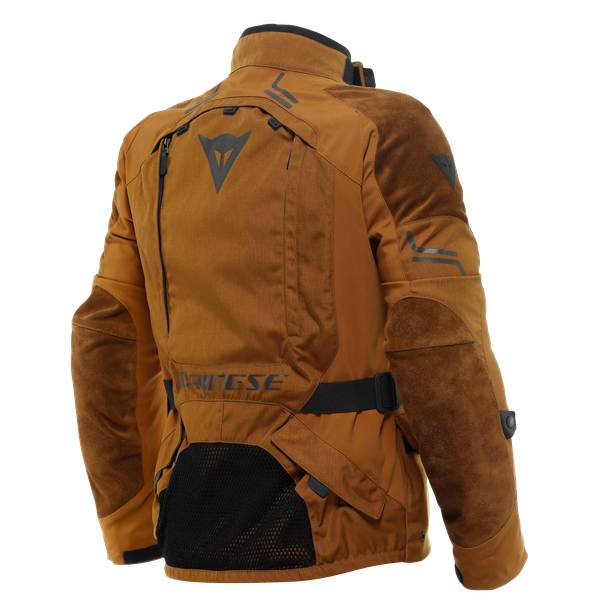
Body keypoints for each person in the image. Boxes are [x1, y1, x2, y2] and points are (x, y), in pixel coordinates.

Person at [70, 22, 528, 588]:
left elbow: (107, 337)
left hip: (190, 521)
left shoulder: (148, 141)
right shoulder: (386, 126)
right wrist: (489, 553)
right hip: (349, 529)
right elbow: (438, 340)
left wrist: (131, 524)